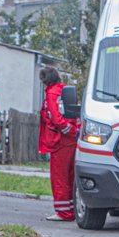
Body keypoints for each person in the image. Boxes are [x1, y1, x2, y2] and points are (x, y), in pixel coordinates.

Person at [37, 66, 79, 221]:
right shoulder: (66, 91)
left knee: (59, 177)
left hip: (59, 141)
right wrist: (73, 131)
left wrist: (67, 130)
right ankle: (71, 208)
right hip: (70, 141)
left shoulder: (52, 93)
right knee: (70, 176)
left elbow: (55, 117)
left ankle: (63, 212)